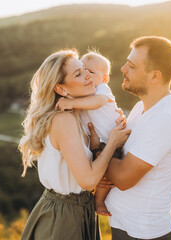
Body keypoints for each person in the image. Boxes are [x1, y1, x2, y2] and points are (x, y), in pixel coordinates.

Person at [18, 49, 131, 240]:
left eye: (86, 70)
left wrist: (100, 147)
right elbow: (87, 181)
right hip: (63, 217)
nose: (88, 75)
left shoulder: (79, 117)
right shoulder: (63, 120)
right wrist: (112, 142)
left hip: (80, 210)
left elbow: (85, 174)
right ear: (61, 89)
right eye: (79, 73)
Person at [93, 36, 171, 239]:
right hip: (127, 226)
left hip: (142, 232)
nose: (123, 69)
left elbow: (123, 178)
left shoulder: (165, 119)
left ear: (155, 76)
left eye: (132, 65)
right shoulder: (142, 107)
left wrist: (97, 149)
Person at [55, 51, 122, 216]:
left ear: (104, 79)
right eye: (82, 70)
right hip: (102, 143)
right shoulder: (66, 115)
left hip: (112, 139)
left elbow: (97, 103)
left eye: (91, 72)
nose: (87, 75)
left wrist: (72, 103)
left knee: (108, 176)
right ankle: (99, 201)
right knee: (102, 174)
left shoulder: (101, 90)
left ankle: (100, 201)